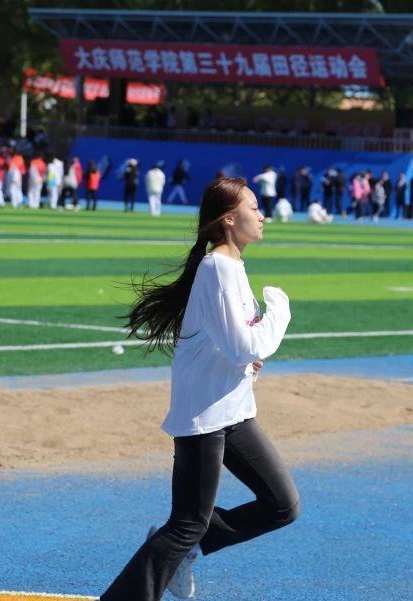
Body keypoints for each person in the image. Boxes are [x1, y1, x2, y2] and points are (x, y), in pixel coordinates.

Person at [102, 177, 298, 601]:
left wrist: (246, 360)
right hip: (204, 417)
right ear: (228, 219)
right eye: (253, 207)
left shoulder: (231, 268)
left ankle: (184, 551)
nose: (262, 215)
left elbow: (233, 344)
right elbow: (243, 345)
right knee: (187, 523)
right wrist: (279, 312)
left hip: (235, 412)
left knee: (282, 504)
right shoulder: (217, 269)